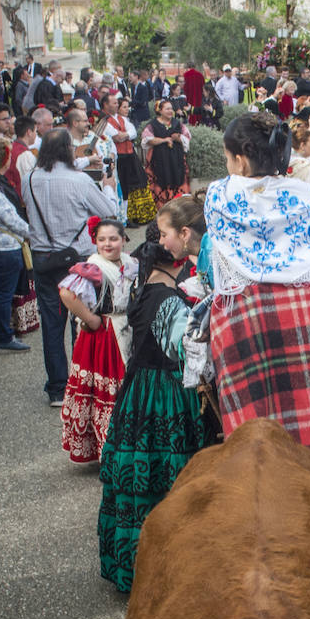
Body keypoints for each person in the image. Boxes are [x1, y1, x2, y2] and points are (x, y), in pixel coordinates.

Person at [97, 226, 212, 593]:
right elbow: (184, 349)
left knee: (136, 475)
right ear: (175, 264)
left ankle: (130, 564)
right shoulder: (170, 301)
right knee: (167, 474)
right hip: (165, 395)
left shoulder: (140, 290)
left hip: (137, 391)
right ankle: (164, 573)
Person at [23, 128, 117, 406]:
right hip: (77, 259)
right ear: (67, 149)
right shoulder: (79, 181)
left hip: (43, 257)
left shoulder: (30, 179)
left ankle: (57, 388)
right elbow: (107, 211)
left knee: (52, 324)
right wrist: (108, 187)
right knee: (83, 320)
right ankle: (83, 382)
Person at [203, 111, 310, 295]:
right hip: (309, 302)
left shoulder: (219, 195)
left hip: (249, 305)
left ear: (240, 162)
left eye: (227, 158)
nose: (227, 165)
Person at [58, 217, 137, 464]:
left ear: (123, 239)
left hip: (126, 329)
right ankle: (109, 451)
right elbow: (67, 293)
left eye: (113, 239)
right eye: (102, 239)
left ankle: (124, 448)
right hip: (105, 337)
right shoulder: (94, 267)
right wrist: (91, 320)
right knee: (109, 390)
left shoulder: (130, 262)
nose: (107, 244)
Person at [0, 135, 31, 353]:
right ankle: (4, 338)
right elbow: (14, 222)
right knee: (2, 295)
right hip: (3, 250)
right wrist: (33, 234)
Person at [102, 95, 153, 226]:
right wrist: (125, 135)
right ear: (105, 105)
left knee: (135, 183)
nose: (116, 105)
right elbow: (116, 137)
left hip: (129, 154)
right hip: (119, 156)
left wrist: (125, 135)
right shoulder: (105, 121)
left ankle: (132, 214)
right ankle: (123, 217)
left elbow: (133, 132)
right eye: (113, 103)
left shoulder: (122, 119)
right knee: (123, 186)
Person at [141, 100, 191, 208]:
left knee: (178, 178)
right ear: (160, 110)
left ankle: (178, 206)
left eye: (171, 109)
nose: (170, 111)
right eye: (167, 109)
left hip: (175, 158)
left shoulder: (177, 123)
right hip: (159, 159)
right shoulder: (153, 125)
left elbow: (187, 137)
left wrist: (177, 138)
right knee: (160, 180)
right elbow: (147, 139)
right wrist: (164, 140)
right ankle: (163, 207)